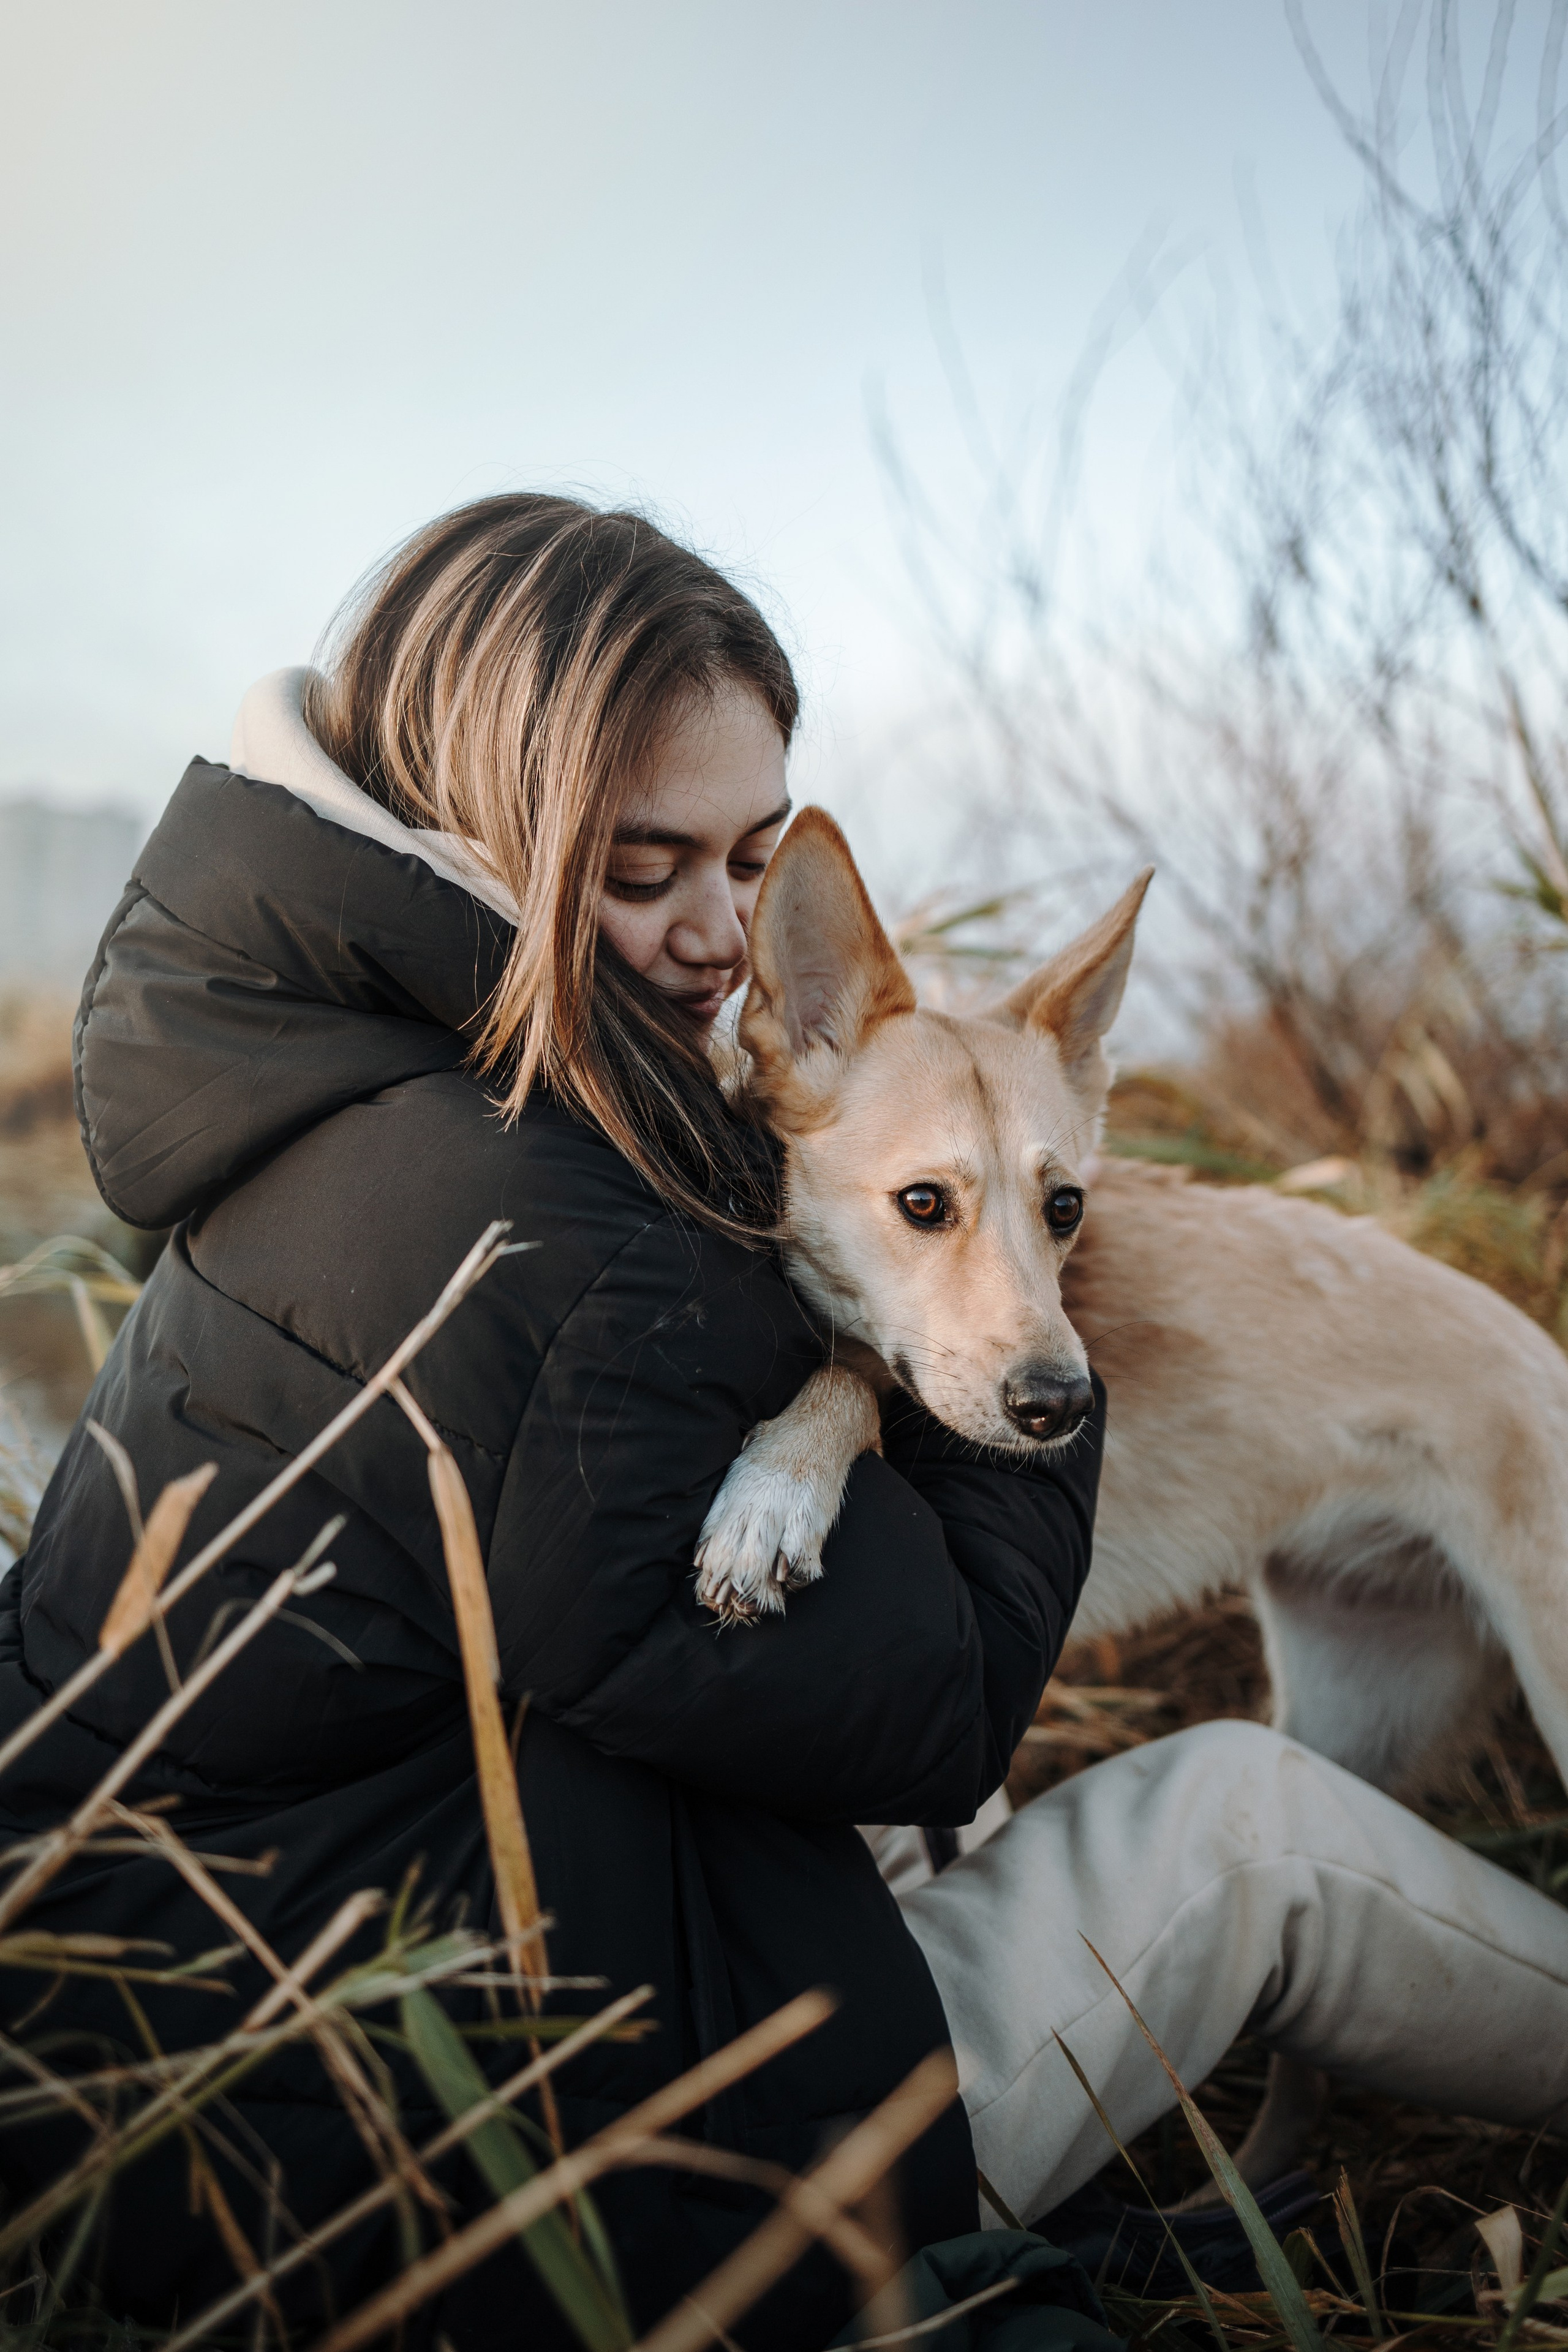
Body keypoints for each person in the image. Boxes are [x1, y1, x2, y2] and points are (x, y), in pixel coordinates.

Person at [3, 493, 1566, 2350]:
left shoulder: (324, 1106)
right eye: (640, 866)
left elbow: (659, 1674)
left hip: (268, 2082)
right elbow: (946, 1706)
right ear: (483, 821)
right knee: (1248, 1817)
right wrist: (1016, 1350)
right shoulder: (555, 1226)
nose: (721, 940)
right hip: (615, 2198)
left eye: (750, 861)